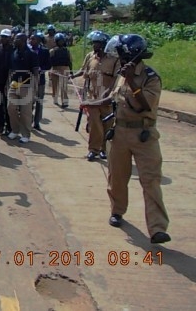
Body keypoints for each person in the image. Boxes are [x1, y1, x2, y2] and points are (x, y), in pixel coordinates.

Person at [104, 34, 170, 244]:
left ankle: (157, 228)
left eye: (122, 54)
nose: (119, 58)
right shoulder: (122, 74)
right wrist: (93, 104)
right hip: (120, 133)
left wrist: (133, 80)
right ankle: (117, 211)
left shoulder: (150, 77)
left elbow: (144, 105)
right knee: (117, 177)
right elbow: (114, 97)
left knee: (150, 180)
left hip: (144, 135)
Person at [71, 30, 119, 161]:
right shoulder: (90, 57)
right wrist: (74, 76)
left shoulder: (114, 60)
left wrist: (110, 93)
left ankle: (104, 149)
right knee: (94, 124)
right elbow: (83, 71)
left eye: (97, 43)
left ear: (104, 44)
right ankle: (93, 149)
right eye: (93, 43)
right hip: (92, 98)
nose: (94, 46)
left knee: (107, 124)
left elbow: (117, 78)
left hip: (107, 98)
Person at [7, 33, 39, 143]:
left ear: (22, 40)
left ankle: (26, 134)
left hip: (27, 85)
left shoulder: (32, 54)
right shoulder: (13, 53)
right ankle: (15, 130)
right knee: (11, 108)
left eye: (16, 39)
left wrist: (35, 88)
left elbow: (35, 72)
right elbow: (11, 69)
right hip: (14, 84)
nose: (13, 40)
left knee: (26, 112)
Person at [29, 32, 51, 131]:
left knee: (39, 101)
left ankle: (37, 122)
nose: (31, 41)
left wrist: (42, 69)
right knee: (29, 102)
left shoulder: (45, 51)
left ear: (38, 41)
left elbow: (48, 65)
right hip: (28, 80)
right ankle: (28, 120)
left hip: (40, 80)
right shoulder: (27, 50)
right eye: (30, 39)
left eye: (33, 39)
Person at [49, 32, 72, 107]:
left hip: (64, 69)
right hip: (55, 69)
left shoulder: (67, 51)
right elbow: (50, 61)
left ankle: (65, 101)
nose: (61, 42)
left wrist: (71, 71)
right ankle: (55, 98)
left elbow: (69, 61)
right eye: (59, 41)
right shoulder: (52, 51)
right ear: (56, 41)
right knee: (55, 86)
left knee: (64, 86)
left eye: (62, 41)